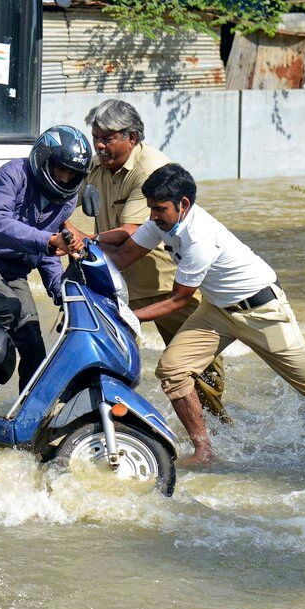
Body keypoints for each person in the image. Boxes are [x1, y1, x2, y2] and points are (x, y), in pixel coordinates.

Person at [104, 163, 305, 471]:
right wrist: (80, 245)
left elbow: (178, 300)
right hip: (218, 310)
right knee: (172, 370)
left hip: (263, 311)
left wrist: (121, 315)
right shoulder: (163, 222)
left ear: (183, 205)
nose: (153, 215)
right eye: (151, 208)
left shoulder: (199, 237)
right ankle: (204, 450)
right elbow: (120, 257)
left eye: (160, 209)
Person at [78, 99, 228, 423]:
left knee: (199, 373)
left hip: (168, 285)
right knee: (109, 361)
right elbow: (67, 198)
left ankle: (218, 434)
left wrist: (84, 240)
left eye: (107, 138)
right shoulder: (97, 166)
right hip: (117, 280)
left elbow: (134, 232)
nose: (100, 146)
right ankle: (116, 425)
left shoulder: (151, 169)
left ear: (131, 137)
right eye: (96, 138)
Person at [0, 125, 90, 392]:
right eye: (61, 168)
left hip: (12, 270)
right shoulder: (12, 174)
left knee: (34, 346)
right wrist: (48, 242)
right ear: (44, 159)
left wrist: (62, 292)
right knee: (8, 307)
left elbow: (48, 253)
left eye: (72, 174)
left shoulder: (66, 202)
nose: (65, 177)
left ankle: (30, 415)